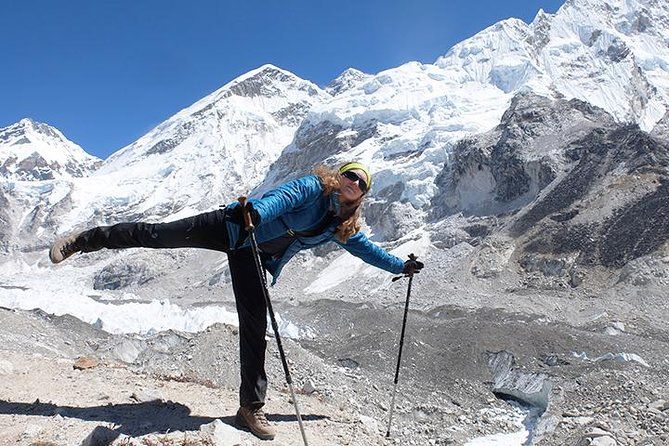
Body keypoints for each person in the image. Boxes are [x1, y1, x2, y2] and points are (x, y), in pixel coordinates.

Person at [49, 161, 424, 440]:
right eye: (350, 174)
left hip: (253, 253)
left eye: (360, 182)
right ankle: (86, 240)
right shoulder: (314, 187)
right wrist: (256, 212)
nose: (353, 182)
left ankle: (250, 408)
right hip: (233, 224)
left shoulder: (340, 227)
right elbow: (281, 198)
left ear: (361, 195)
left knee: (254, 326)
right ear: (338, 176)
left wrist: (401, 265)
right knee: (156, 235)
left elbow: (368, 251)